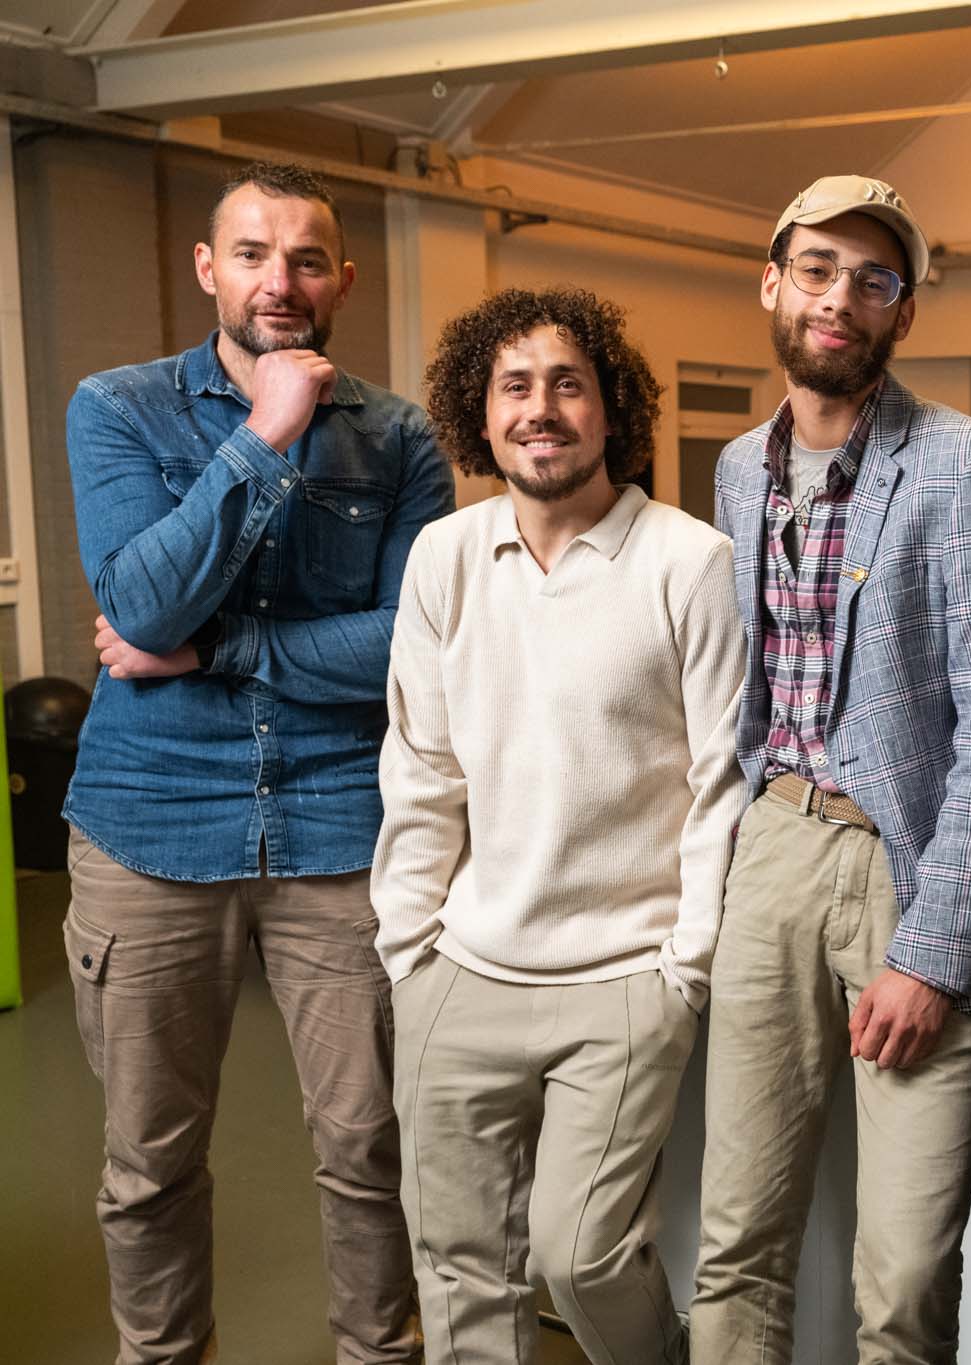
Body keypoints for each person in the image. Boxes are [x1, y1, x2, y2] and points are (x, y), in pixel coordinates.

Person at [60, 159, 451, 1365]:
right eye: (251, 253)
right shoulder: (115, 409)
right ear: (207, 269)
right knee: (148, 1161)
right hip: (150, 827)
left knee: (369, 1150)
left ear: (343, 275)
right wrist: (270, 429)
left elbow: (416, 645)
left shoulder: (399, 437)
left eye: (304, 258)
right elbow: (135, 598)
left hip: (341, 825)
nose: (278, 281)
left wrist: (212, 645)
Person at [689, 174, 971, 1365]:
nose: (839, 296)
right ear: (772, 282)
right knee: (737, 1240)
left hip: (909, 863)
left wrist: (933, 952)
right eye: (816, 269)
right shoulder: (738, 471)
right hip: (772, 848)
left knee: (903, 1277)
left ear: (903, 312)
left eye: (872, 279)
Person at [372, 287, 746, 1365]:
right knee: (455, 1259)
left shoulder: (687, 562)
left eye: (567, 384)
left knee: (577, 1255)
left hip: (625, 975)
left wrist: (684, 965)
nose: (542, 410)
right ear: (479, 415)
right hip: (462, 965)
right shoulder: (445, 555)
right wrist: (409, 946)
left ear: (610, 407)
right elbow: (423, 765)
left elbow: (722, 780)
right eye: (515, 387)